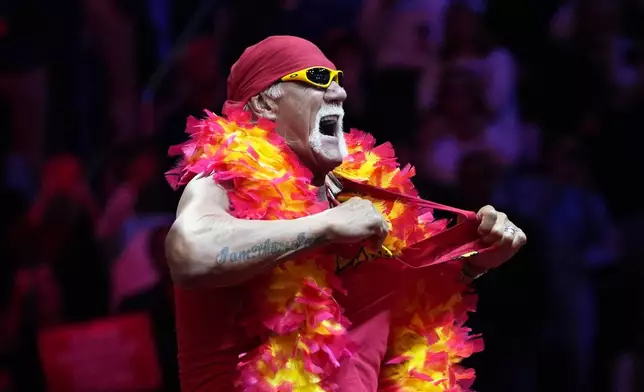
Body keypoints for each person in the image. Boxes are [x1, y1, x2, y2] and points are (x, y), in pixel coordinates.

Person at [165, 35, 526, 391]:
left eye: (338, 80)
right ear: (264, 104)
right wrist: (324, 226)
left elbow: (395, 305)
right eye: (319, 79)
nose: (339, 93)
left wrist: (475, 260)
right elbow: (189, 253)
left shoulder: (357, 195)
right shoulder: (224, 181)